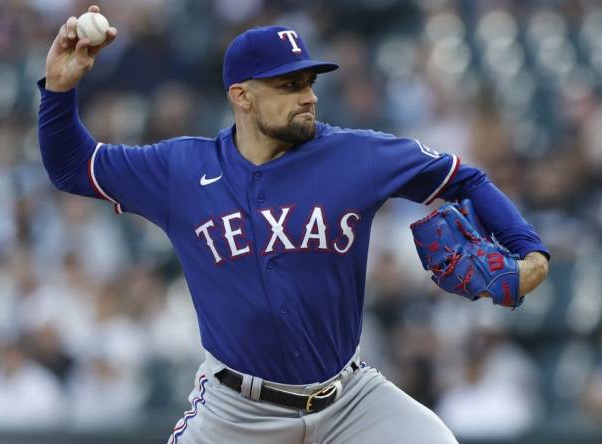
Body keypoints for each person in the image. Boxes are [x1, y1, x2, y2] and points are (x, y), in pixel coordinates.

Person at [38, 5, 550, 443]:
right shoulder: (180, 170)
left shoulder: (356, 154)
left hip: (348, 399)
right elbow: (71, 166)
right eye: (289, 85)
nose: (308, 96)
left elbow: (466, 178)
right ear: (242, 96)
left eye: (308, 82)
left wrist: (529, 253)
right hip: (237, 409)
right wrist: (59, 91)